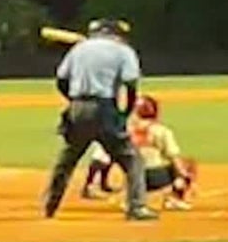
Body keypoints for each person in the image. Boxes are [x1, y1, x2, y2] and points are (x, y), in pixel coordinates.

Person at [41, 18, 158, 221]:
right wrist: (124, 113)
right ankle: (137, 207)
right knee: (132, 159)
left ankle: (50, 205)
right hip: (104, 108)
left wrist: (73, 101)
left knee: (67, 159)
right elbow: (130, 85)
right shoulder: (123, 51)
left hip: (77, 108)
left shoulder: (79, 49)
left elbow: (61, 80)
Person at [82, 95, 197, 211]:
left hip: (134, 178)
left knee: (130, 164)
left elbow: (107, 156)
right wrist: (184, 177)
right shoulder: (162, 130)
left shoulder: (125, 130)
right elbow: (174, 158)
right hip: (157, 178)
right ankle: (175, 198)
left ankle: (130, 198)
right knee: (188, 164)